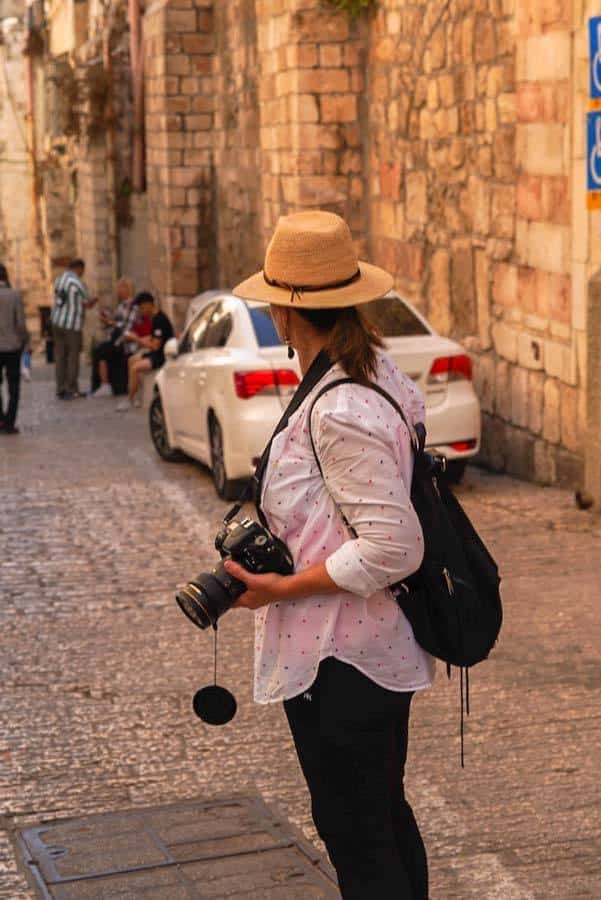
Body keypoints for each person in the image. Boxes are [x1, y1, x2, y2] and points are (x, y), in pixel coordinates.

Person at [226, 211, 434, 899]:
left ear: (287, 308)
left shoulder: (338, 407)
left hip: (340, 658)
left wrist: (277, 590)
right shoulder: (369, 372)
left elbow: (392, 548)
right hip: (356, 651)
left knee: (358, 835)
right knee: (377, 822)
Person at [116, 291, 173, 411]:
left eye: (141, 308)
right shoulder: (155, 318)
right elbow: (153, 338)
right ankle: (137, 394)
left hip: (161, 356)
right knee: (132, 360)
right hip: (157, 352)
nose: (141, 312)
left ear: (148, 305)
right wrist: (139, 338)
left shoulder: (159, 320)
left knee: (135, 368)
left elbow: (155, 346)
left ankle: (130, 400)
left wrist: (136, 339)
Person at [51, 258, 97, 399]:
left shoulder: (60, 279)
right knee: (72, 357)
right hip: (72, 324)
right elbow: (87, 302)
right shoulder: (77, 282)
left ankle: (60, 388)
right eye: (82, 270)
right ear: (78, 268)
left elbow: (62, 299)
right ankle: (72, 388)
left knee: (60, 357)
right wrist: (94, 301)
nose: (82, 273)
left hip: (57, 322)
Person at [91, 277, 136, 397]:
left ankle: (105, 385)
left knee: (102, 351)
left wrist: (111, 323)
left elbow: (127, 327)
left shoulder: (132, 306)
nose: (118, 291)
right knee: (98, 350)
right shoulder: (121, 306)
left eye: (120, 288)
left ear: (127, 289)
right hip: (117, 340)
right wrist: (107, 321)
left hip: (126, 342)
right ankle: (101, 385)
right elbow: (115, 324)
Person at [0, 263, 28, 435]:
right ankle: (10, 422)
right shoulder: (15, 295)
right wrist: (25, 341)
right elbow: (21, 324)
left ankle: (0, 419)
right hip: (12, 347)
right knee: (14, 385)